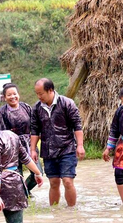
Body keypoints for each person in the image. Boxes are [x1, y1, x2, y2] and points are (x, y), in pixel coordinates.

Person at [30, 78, 84, 207]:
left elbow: (77, 125)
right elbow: (34, 130)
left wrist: (80, 145)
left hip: (67, 148)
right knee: (54, 182)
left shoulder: (67, 103)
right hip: (48, 151)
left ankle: (71, 210)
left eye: (41, 93)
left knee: (67, 181)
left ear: (50, 90)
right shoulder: (37, 108)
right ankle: (54, 211)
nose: (39, 96)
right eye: (37, 93)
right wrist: (32, 150)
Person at [0, 83, 41, 192]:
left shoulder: (26, 107)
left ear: (19, 94)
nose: (12, 97)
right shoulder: (2, 112)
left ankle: (25, 191)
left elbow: (35, 126)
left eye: (14, 94)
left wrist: (34, 144)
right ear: (4, 97)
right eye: (9, 95)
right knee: (17, 175)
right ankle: (21, 194)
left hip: (28, 143)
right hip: (12, 146)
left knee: (37, 172)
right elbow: (1, 132)